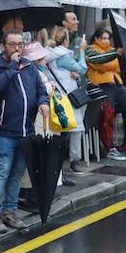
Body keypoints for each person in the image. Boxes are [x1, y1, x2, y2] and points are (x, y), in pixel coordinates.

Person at [0, 31, 48, 230]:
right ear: (3, 45)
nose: (17, 48)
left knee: (17, 174)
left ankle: (9, 212)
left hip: (26, 131)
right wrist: (13, 64)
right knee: (2, 172)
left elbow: (41, 90)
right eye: (12, 44)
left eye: (20, 44)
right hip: (4, 131)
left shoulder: (29, 67)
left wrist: (43, 103)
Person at [85, 25, 126, 160]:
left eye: (108, 38)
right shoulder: (91, 49)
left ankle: (112, 142)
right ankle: (110, 148)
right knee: (107, 116)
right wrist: (111, 61)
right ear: (96, 38)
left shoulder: (112, 50)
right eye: (103, 38)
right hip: (102, 86)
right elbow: (102, 64)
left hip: (116, 84)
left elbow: (116, 65)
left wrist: (109, 61)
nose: (106, 41)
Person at [45, 28, 87, 172]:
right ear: (65, 41)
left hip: (56, 96)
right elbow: (82, 68)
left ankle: (58, 167)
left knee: (59, 129)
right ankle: (74, 160)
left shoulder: (48, 54)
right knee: (74, 129)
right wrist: (82, 51)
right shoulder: (63, 55)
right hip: (68, 97)